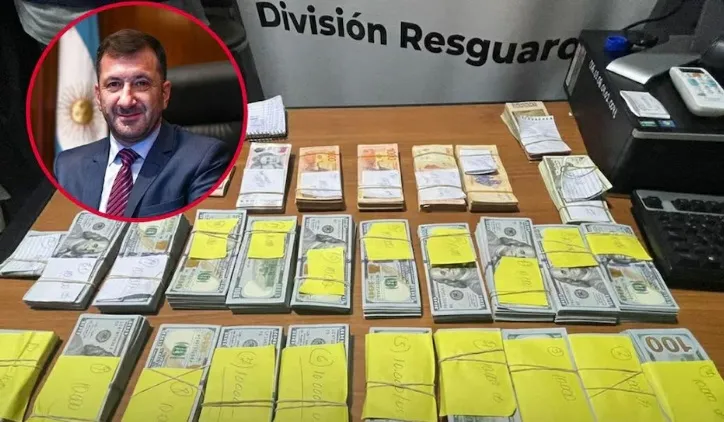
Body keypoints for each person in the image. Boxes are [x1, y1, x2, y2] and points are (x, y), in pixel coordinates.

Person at [54, 29, 232, 218]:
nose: (126, 101)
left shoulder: (204, 160)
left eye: (141, 83)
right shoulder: (68, 167)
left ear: (164, 94)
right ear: (98, 97)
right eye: (114, 84)